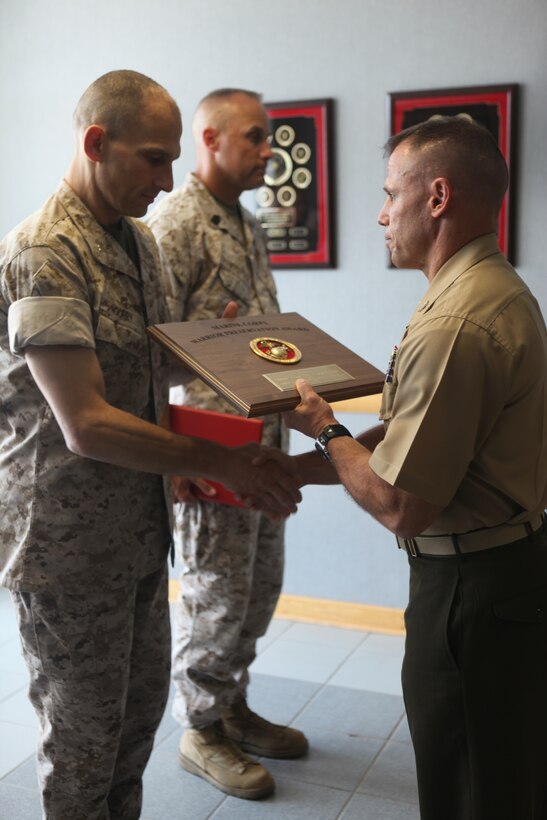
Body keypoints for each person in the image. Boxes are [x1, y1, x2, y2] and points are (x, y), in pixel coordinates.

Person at [0, 71, 301, 820]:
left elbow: (145, 363)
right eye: (153, 159)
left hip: (135, 529)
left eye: (172, 161)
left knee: (134, 727)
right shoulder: (47, 251)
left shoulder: (134, 240)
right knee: (82, 744)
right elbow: (88, 421)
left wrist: (217, 346)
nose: (170, 183)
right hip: (66, 545)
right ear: (96, 143)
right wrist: (219, 462)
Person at [283, 116, 547, 820]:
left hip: (469, 595)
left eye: (387, 193)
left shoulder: (455, 322)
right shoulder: (486, 291)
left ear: (434, 198)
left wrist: (324, 427)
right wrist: (304, 467)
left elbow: (402, 503)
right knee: (492, 775)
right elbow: (415, 437)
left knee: (468, 788)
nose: (379, 213)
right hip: (499, 576)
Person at [148, 88, 308, 801]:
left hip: (260, 446)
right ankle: (201, 729)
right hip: (207, 456)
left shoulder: (245, 225)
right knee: (215, 594)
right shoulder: (175, 225)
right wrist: (167, 463)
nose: (266, 150)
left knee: (255, 591)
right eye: (253, 137)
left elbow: (258, 342)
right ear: (209, 139)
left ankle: (232, 706)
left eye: (268, 137)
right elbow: (149, 358)